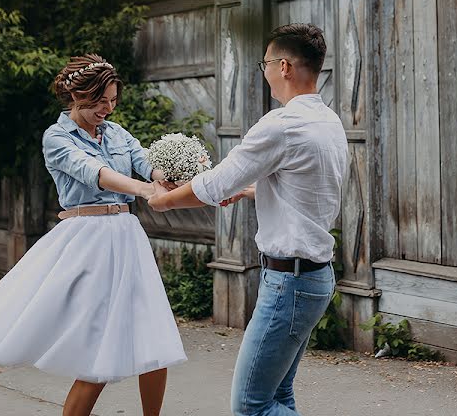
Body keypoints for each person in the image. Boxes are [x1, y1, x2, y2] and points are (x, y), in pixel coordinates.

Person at [0, 54, 186, 416]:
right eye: (100, 101)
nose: (108, 108)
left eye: (113, 100)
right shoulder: (57, 138)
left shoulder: (118, 133)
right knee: (97, 349)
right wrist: (144, 190)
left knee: (154, 337)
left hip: (127, 237)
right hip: (88, 240)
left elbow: (144, 162)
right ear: (77, 97)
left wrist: (167, 175)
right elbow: (95, 173)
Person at [149, 23, 348, 416]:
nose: (266, 71)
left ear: (286, 66)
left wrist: (165, 201)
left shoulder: (283, 124)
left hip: (290, 283)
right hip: (312, 277)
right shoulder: (329, 121)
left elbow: (216, 182)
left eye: (267, 63)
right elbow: (306, 192)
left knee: (250, 406)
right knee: (278, 397)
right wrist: (250, 191)